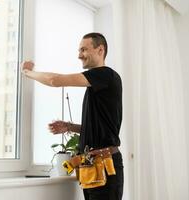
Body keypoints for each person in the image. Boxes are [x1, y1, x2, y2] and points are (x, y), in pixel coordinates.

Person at [21, 32, 123, 200]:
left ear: (100, 50)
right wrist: (69, 127)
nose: (79, 55)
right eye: (79, 50)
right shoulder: (97, 85)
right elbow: (100, 128)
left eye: (84, 49)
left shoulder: (105, 75)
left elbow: (55, 80)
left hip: (105, 165)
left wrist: (27, 72)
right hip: (93, 166)